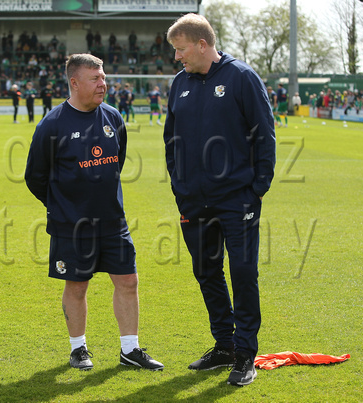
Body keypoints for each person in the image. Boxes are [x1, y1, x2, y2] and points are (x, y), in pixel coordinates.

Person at [25, 53, 163, 372]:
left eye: (104, 78)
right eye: (95, 79)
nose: (103, 84)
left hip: (113, 220)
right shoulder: (52, 125)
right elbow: (35, 176)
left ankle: (130, 350)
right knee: (77, 285)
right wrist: (61, 206)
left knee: (128, 281)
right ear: (74, 83)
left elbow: (118, 161)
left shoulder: (114, 117)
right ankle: (78, 349)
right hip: (71, 225)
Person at [163, 14, 276, 386]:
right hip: (193, 201)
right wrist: (179, 186)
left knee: (243, 273)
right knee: (206, 272)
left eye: (180, 49)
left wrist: (258, 185)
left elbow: (264, 132)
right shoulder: (179, 82)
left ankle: (245, 355)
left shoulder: (241, 77)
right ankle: (224, 344)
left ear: (201, 44)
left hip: (236, 199)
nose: (177, 57)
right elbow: (171, 140)